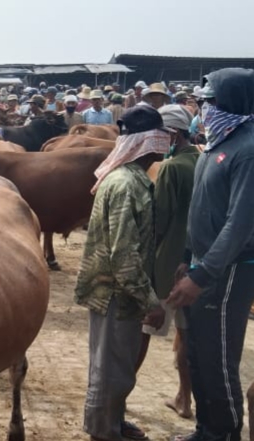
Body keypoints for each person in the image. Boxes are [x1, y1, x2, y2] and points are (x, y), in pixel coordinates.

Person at [167, 68, 254, 441]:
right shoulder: (216, 144)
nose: (203, 107)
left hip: (230, 268)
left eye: (210, 101)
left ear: (231, 102)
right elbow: (198, 208)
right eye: (202, 101)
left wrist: (202, 276)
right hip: (202, 263)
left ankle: (225, 433)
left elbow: (240, 223)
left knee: (218, 358)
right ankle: (206, 429)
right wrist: (187, 257)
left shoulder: (247, 150)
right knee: (198, 357)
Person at [75, 106, 170, 441]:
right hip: (115, 292)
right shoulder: (126, 184)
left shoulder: (132, 179)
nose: (164, 145)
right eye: (160, 138)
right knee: (109, 371)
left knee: (118, 367)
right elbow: (124, 253)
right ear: (149, 142)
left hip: (122, 292)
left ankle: (113, 422)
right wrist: (151, 301)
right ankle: (103, 432)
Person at [136, 104, 198, 421]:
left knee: (144, 330)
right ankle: (184, 399)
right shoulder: (202, 161)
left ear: (172, 133)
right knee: (186, 337)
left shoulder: (172, 168)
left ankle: (120, 395)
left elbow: (158, 221)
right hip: (195, 265)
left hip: (167, 265)